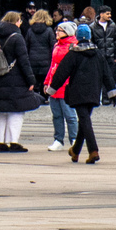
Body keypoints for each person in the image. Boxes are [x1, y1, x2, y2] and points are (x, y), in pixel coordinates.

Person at [50, 23, 115, 164]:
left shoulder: (73, 53)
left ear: (78, 37)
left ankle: (93, 150)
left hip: (78, 93)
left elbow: (61, 73)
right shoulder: (98, 54)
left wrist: (51, 89)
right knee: (84, 121)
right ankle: (75, 150)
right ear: (90, 37)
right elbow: (107, 74)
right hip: (93, 92)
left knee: (85, 121)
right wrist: (112, 92)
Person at [0, 11, 39, 152]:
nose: (21, 23)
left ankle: (1, 142)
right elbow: (24, 61)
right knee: (17, 111)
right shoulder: (17, 38)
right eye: (19, 20)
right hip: (16, 79)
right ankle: (13, 141)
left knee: (3, 111)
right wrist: (31, 80)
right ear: (15, 21)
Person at [44, 21, 80, 151]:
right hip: (55, 84)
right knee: (57, 114)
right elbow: (52, 65)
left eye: (60, 30)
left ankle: (74, 138)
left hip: (67, 85)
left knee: (70, 115)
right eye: (57, 30)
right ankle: (58, 139)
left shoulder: (74, 46)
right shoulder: (57, 46)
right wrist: (47, 82)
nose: (57, 32)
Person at [91, 7, 116, 106]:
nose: (109, 16)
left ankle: (108, 98)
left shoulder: (112, 26)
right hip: (99, 56)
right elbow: (92, 42)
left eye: (110, 14)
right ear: (101, 14)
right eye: (107, 14)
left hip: (110, 56)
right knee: (98, 78)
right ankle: (100, 98)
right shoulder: (93, 27)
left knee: (109, 77)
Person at [24, 9, 54, 92]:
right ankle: (44, 97)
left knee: (35, 82)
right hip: (46, 61)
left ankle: (36, 97)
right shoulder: (49, 30)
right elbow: (52, 46)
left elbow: (26, 46)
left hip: (32, 60)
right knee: (44, 82)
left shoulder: (30, 31)